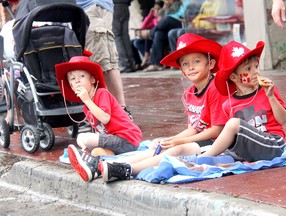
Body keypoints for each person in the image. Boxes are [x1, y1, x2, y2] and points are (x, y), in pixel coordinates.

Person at [66, 33, 228, 183]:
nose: (190, 67)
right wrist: (170, 139)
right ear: (182, 69)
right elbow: (193, 128)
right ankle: (99, 167)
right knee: (157, 148)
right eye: (185, 63)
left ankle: (126, 170)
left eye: (197, 61)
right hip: (199, 139)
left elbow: (217, 131)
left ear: (211, 63)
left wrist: (177, 141)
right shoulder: (190, 92)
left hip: (217, 143)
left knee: (175, 150)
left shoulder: (214, 88)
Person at [55, 56, 142, 181]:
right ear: (71, 86)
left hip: (127, 139)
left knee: (83, 137)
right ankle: (97, 155)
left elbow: (105, 119)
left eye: (82, 76)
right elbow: (99, 130)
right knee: (89, 144)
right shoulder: (87, 107)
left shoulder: (101, 93)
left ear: (92, 80)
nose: (77, 81)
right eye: (73, 79)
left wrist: (87, 100)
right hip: (115, 143)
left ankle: (85, 157)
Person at [199, 40, 286, 161]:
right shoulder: (228, 104)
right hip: (250, 150)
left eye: (256, 66)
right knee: (211, 149)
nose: (255, 71)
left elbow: (283, 120)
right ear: (234, 77)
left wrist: (271, 97)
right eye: (248, 69)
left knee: (233, 123)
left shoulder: (267, 91)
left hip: (274, 145)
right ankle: (194, 156)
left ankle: (205, 157)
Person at [76, 0, 133, 119]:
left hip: (91, 7)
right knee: (103, 60)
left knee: (99, 61)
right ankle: (118, 110)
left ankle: (114, 112)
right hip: (89, 8)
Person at [112, 0, 136, 73]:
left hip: (115, 5)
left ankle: (124, 64)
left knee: (117, 36)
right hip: (125, 6)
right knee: (125, 36)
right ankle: (131, 63)